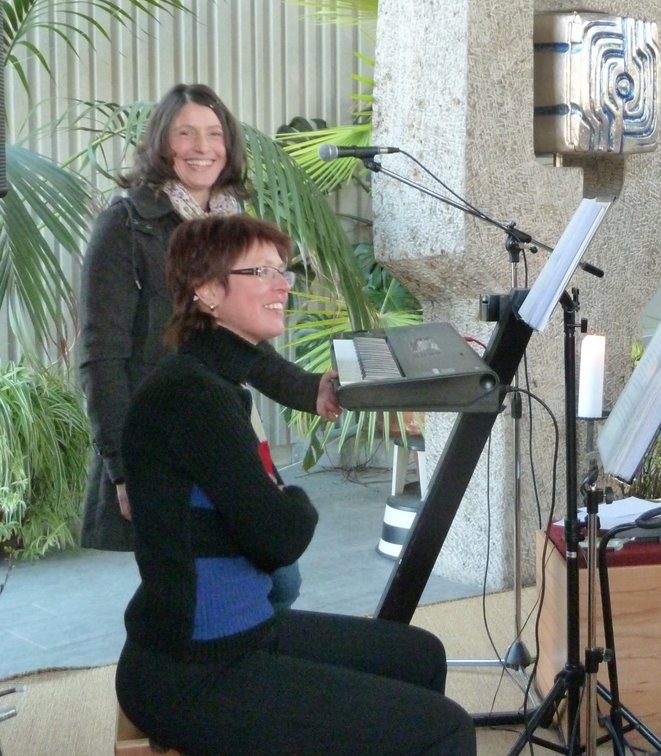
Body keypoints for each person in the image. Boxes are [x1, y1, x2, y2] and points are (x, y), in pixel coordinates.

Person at [115, 214, 476, 755]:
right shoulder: (194, 397)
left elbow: (264, 520)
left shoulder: (210, 377)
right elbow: (280, 538)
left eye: (281, 270)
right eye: (261, 271)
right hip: (194, 670)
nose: (283, 285)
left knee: (419, 656)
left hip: (244, 632)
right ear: (207, 292)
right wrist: (295, 499)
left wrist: (280, 500)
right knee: (446, 729)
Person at [78, 82, 333, 607]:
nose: (202, 147)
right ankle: (184, 654)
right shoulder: (125, 224)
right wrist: (124, 469)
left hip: (219, 425)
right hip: (162, 436)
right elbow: (101, 359)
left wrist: (315, 391)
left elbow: (241, 348)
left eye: (214, 134)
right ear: (161, 143)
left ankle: (225, 651)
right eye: (186, 133)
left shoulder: (232, 227)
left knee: (267, 578)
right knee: (217, 580)